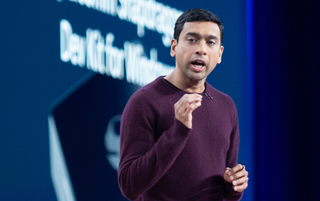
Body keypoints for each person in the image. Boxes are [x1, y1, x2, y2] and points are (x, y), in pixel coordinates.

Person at [118, 8, 249, 201]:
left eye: (210, 42)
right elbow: (130, 185)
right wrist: (177, 131)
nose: (201, 49)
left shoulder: (226, 105)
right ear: (173, 47)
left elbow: (228, 188)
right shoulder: (144, 102)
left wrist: (234, 185)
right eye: (192, 39)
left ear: (219, 54)